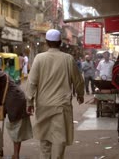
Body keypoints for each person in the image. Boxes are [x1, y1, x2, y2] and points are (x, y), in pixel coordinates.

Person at [26, 29, 84, 159]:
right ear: (60, 43)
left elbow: (31, 82)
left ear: (46, 42)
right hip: (61, 106)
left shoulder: (39, 58)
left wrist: (29, 102)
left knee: (44, 139)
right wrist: (80, 94)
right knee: (59, 138)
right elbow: (78, 80)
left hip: (43, 105)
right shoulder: (68, 59)